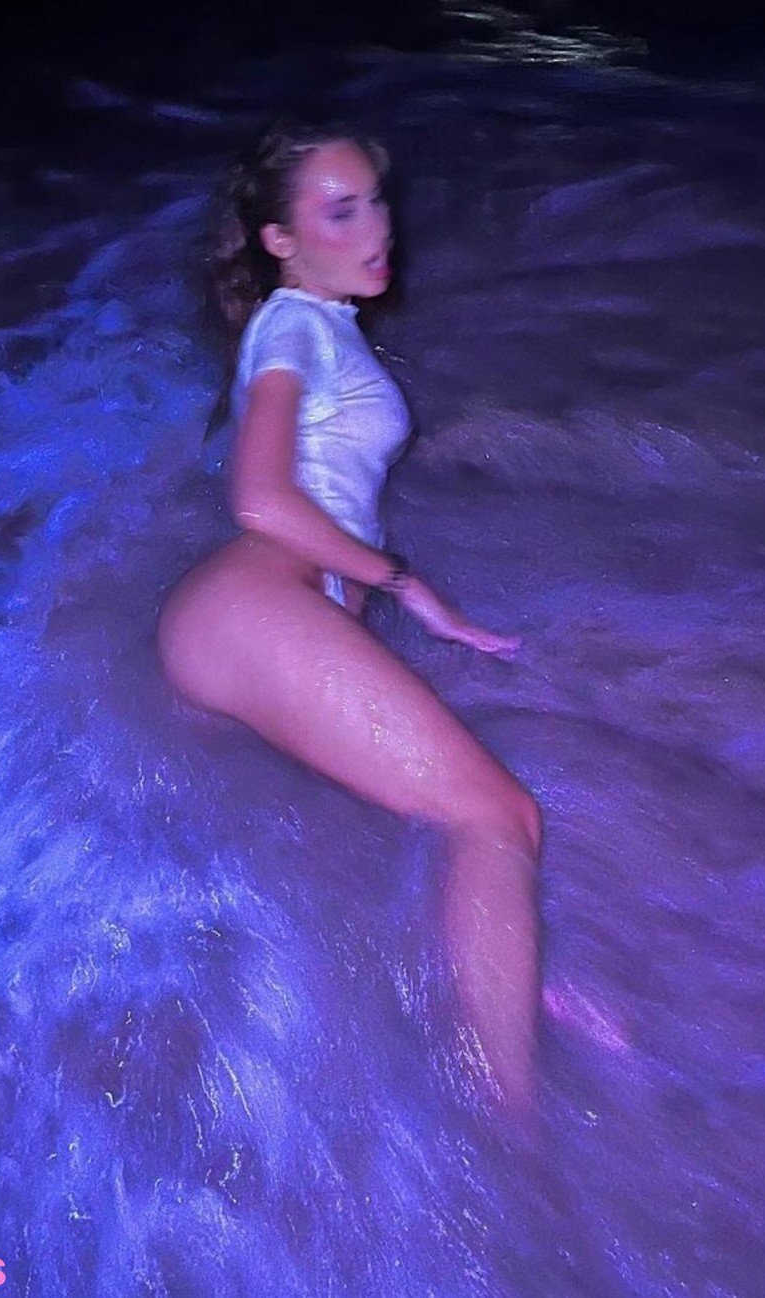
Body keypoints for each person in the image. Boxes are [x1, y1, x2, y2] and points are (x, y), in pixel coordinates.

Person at [157, 122, 542, 1109]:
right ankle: (517, 1147)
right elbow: (260, 498)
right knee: (497, 815)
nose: (377, 229)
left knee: (415, 846)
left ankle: (509, 1012)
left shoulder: (317, 327)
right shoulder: (293, 326)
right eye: (342, 211)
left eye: (376, 202)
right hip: (257, 600)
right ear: (280, 239)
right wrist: (403, 582)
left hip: (264, 617)